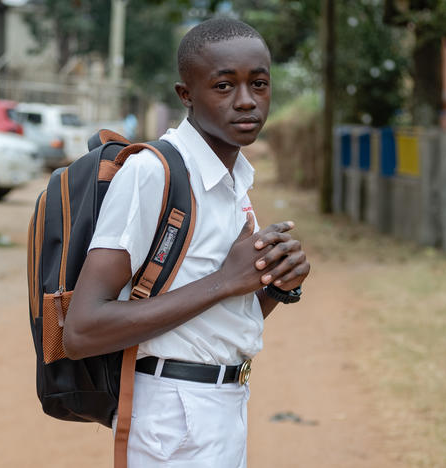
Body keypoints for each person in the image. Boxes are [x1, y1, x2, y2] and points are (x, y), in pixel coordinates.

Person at [63, 17, 310, 467]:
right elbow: (81, 330)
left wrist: (272, 284)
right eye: (223, 86)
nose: (246, 102)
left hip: (224, 404)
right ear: (186, 95)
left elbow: (219, 321)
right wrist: (225, 281)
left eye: (259, 84)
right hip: (172, 417)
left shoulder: (234, 177)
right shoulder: (152, 173)